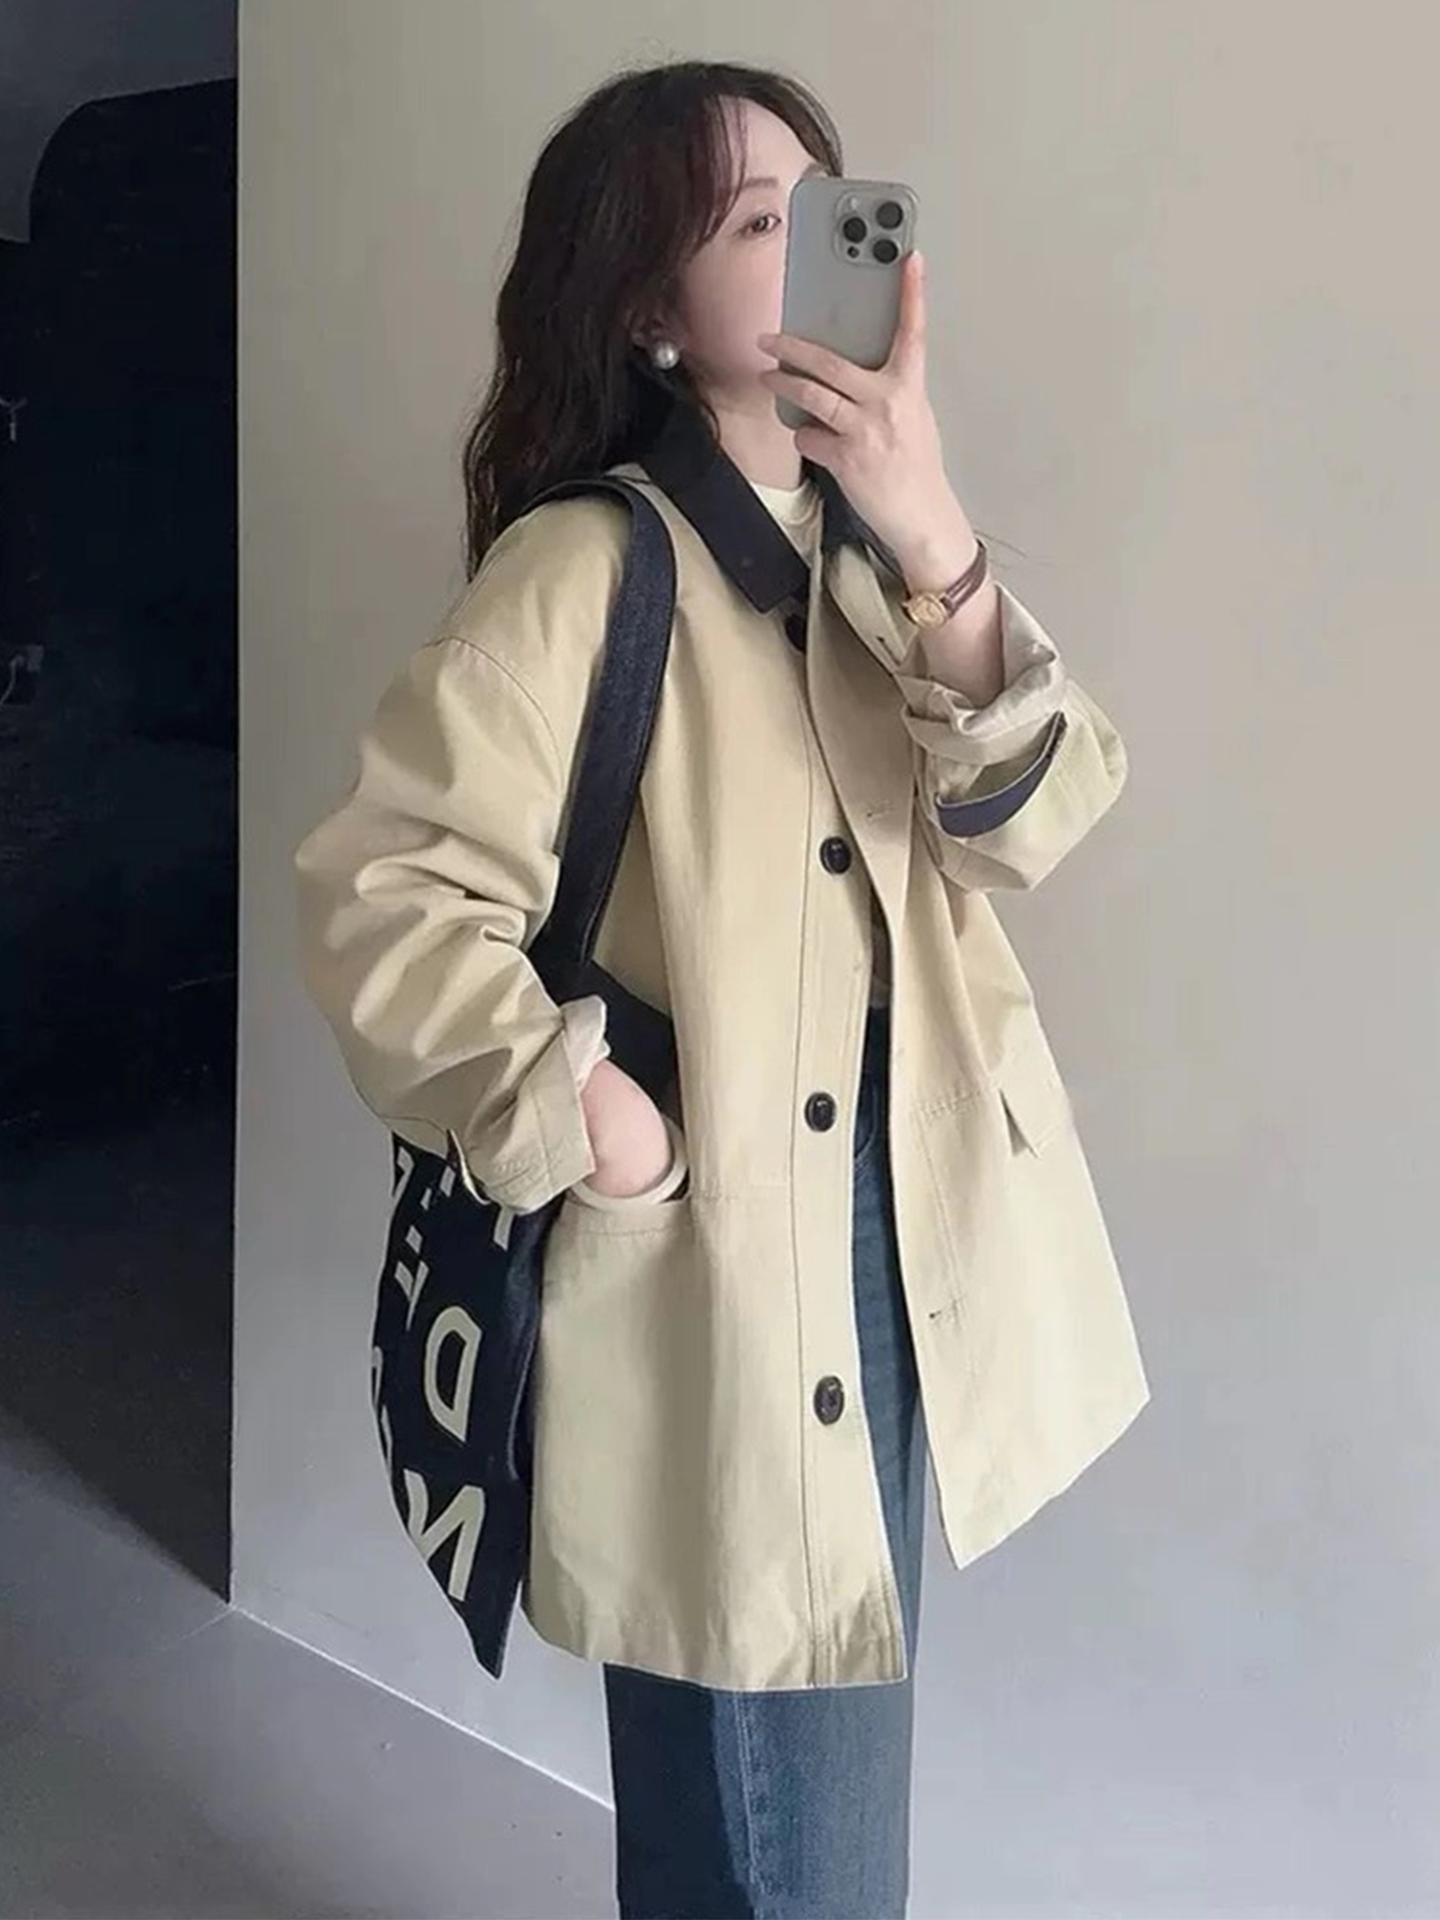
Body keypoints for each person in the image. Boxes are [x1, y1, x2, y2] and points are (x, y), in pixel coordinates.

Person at [294, 56, 1150, 1920]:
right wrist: (584, 1115)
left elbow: (1036, 821)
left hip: (900, 1229)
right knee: (784, 1843)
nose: (822, 242)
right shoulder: (586, 568)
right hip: (722, 1256)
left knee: (793, 1802)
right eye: (761, 220)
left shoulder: (871, 552)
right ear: (650, 315)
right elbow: (377, 894)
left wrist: (933, 525)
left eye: (826, 207)